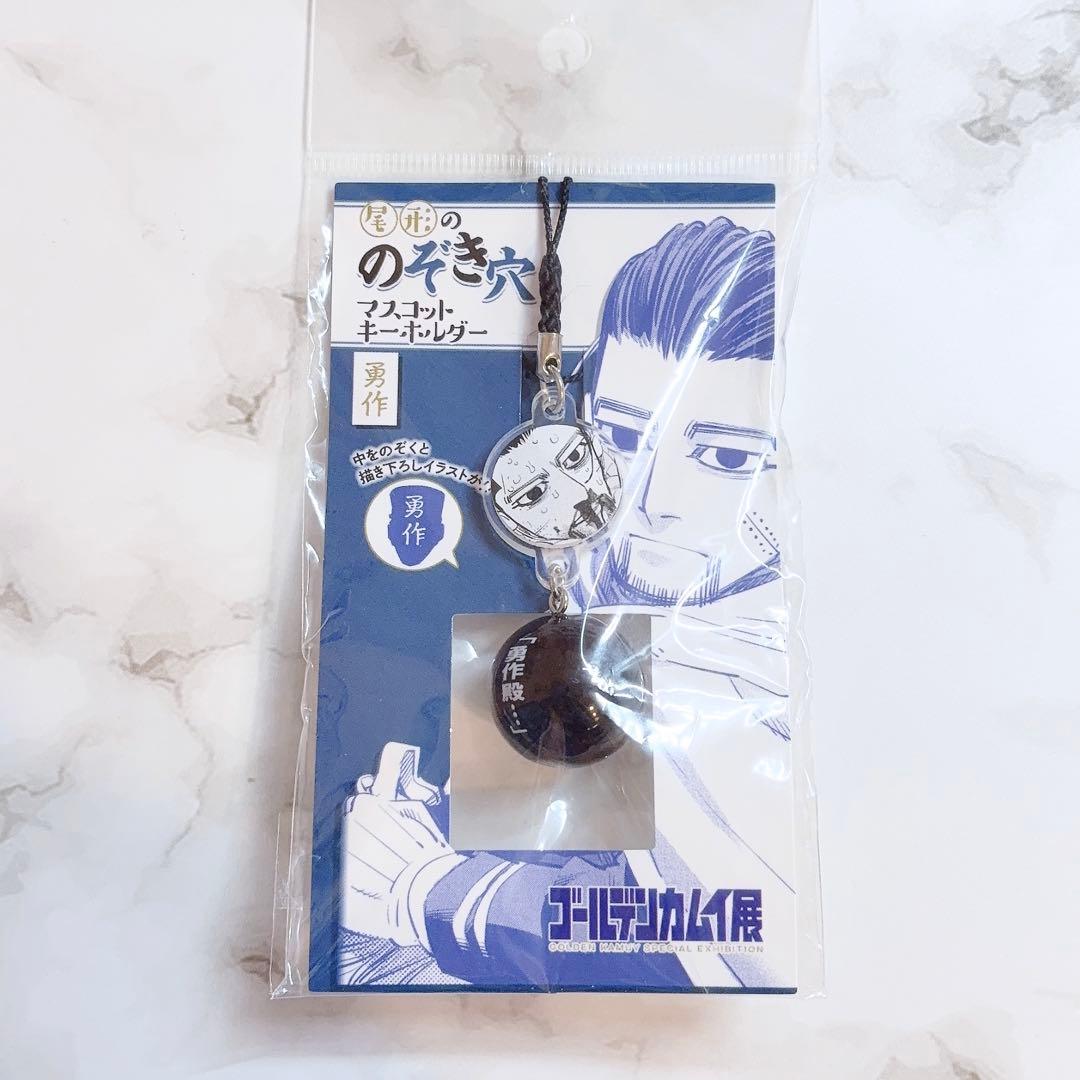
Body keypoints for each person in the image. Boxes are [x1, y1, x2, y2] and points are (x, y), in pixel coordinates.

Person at [339, 216, 796, 989]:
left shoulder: (751, 690)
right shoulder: (574, 605)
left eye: (724, 456)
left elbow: (728, 933)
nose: (654, 500)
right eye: (622, 438)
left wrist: (427, 891)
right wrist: (418, 832)